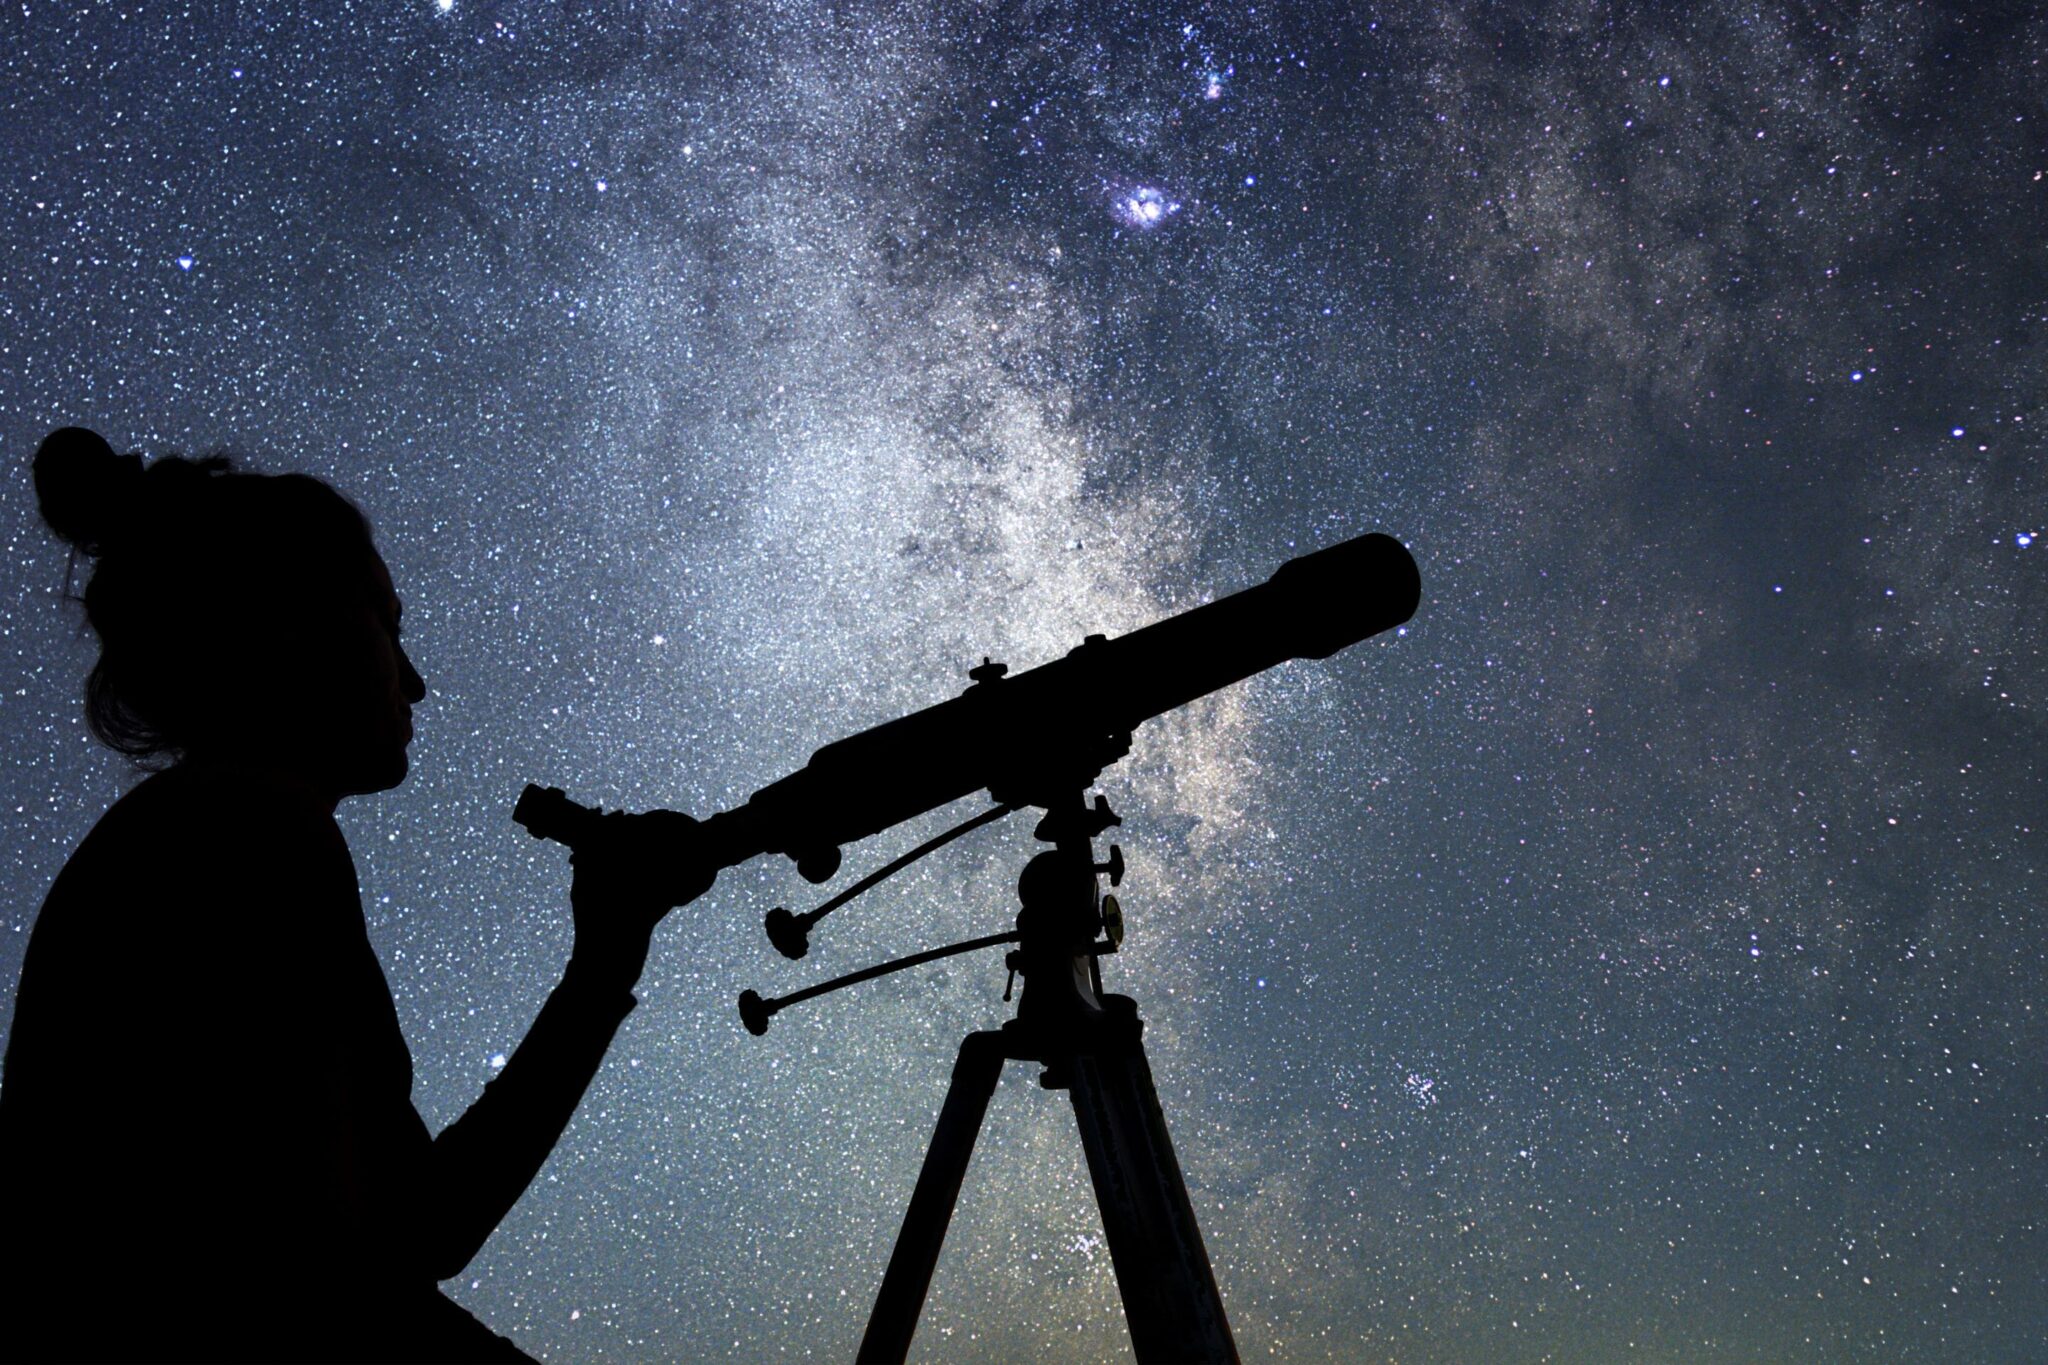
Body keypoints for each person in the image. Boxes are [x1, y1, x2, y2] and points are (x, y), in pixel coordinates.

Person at [0, 428, 708, 1362]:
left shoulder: (196, 829)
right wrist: (606, 960)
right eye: (389, 623)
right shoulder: (254, 830)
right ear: (296, 625)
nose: (415, 680)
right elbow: (402, 1238)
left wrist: (607, 955)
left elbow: (399, 1229)